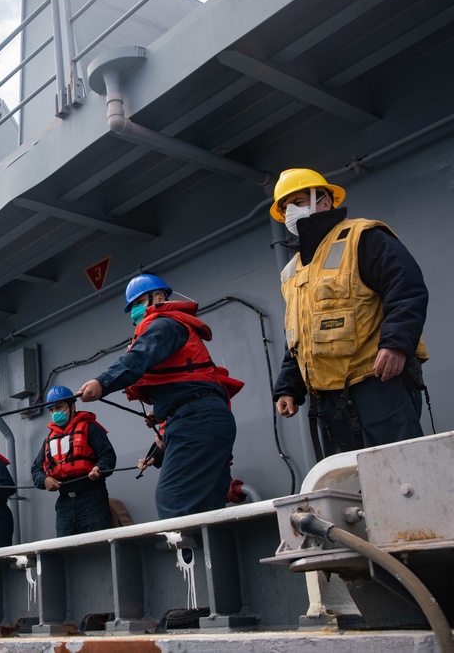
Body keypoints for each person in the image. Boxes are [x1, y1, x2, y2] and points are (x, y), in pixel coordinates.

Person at [269, 169, 429, 457]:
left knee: (400, 470)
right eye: (286, 207)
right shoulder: (291, 271)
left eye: (300, 200)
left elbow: (406, 288)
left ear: (326, 200)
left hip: (378, 383)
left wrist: (396, 344)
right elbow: (298, 335)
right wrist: (289, 386)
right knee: (346, 488)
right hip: (329, 402)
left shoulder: (363, 237)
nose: (292, 211)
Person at [77, 274, 242, 520]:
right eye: (132, 306)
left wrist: (102, 382)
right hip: (203, 419)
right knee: (208, 508)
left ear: (159, 298)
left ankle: (191, 556)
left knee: (175, 501)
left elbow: (139, 357)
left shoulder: (164, 325)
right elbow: (186, 393)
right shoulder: (171, 327)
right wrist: (160, 428)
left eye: (138, 303)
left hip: (198, 420)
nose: (135, 311)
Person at [31, 385, 117, 536]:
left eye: (59, 407)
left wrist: (99, 468)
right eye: (51, 410)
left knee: (98, 545)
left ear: (72, 405)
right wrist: (44, 480)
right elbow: (36, 469)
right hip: (64, 504)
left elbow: (108, 456)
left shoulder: (90, 428)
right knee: (66, 550)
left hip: (92, 498)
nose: (55, 413)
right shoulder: (48, 440)